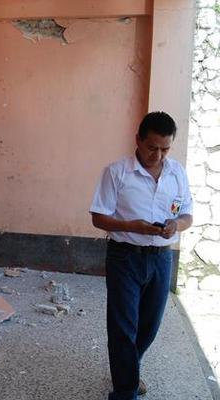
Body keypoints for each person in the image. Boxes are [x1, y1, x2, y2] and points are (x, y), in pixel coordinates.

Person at [90, 111, 193, 400]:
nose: (158, 155)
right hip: (125, 257)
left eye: (165, 148)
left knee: (149, 324)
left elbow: (187, 215)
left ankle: (130, 370)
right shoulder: (116, 172)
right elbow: (98, 218)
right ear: (137, 140)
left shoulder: (177, 174)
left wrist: (177, 225)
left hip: (162, 258)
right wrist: (130, 226)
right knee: (124, 326)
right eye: (152, 147)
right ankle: (125, 391)